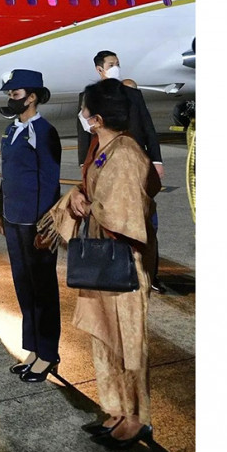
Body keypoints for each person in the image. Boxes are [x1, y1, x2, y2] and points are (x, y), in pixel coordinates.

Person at [40, 77, 161, 450]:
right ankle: (115, 410)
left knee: (128, 343)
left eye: (85, 110)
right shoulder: (104, 148)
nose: (82, 115)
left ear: (95, 118)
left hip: (122, 265)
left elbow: (125, 213)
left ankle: (137, 417)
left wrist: (87, 205)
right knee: (106, 340)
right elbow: (95, 191)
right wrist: (78, 195)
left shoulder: (125, 153)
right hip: (101, 260)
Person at [0, 69, 63, 382]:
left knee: (43, 290)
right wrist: (0, 213)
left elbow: (50, 183)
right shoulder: (12, 130)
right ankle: (33, 348)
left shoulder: (44, 132)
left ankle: (48, 354)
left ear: (32, 96)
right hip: (14, 220)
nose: (11, 98)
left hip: (36, 225)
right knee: (24, 288)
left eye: (16, 93)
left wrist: (46, 226)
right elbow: (6, 177)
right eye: (9, 93)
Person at [78, 51, 165, 292]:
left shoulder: (130, 98)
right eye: (111, 65)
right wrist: (83, 176)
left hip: (133, 168)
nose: (116, 68)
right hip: (105, 170)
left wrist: (156, 161)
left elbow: (147, 126)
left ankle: (148, 273)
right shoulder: (90, 100)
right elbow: (85, 140)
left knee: (146, 223)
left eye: (117, 64)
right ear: (99, 69)